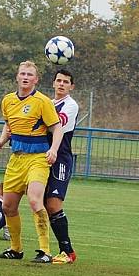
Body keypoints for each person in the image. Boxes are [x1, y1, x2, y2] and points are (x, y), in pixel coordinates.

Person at [0, 61, 62, 263]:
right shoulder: (7, 100)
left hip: (38, 159)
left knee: (34, 200)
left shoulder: (42, 101)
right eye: (22, 73)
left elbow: (56, 128)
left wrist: (53, 150)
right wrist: (1, 141)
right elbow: (8, 125)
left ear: (36, 80)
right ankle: (16, 249)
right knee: (8, 206)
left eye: (30, 75)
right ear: (17, 76)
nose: (25, 77)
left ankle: (45, 250)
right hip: (16, 159)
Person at [45, 70, 79, 264]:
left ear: (71, 86)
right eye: (58, 80)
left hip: (61, 158)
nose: (61, 84)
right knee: (43, 205)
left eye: (65, 82)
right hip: (44, 156)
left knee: (54, 204)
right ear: (53, 83)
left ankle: (68, 252)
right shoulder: (48, 103)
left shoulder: (71, 105)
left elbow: (58, 124)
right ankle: (51, 250)